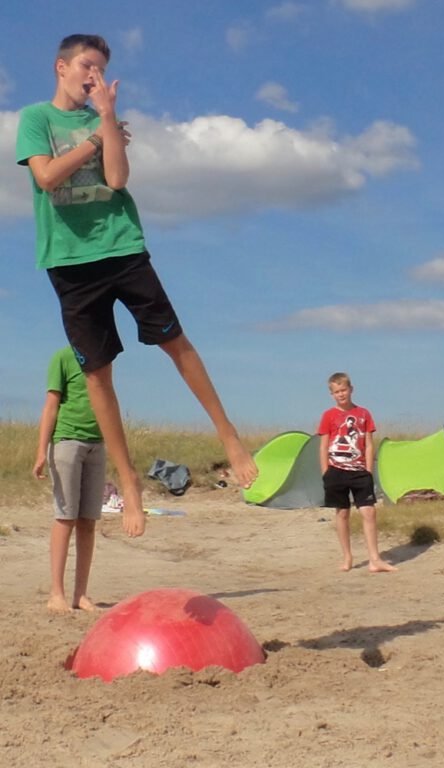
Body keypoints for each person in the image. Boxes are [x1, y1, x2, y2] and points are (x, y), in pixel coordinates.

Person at [17, 34, 257, 538]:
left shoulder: (105, 123)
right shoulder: (37, 118)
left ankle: (228, 433)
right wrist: (94, 140)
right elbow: (46, 179)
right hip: (68, 262)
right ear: (61, 67)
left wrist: (106, 123)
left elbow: (118, 179)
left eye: (102, 71)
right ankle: (128, 482)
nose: (94, 78)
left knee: (175, 341)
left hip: (123, 248)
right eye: (87, 66)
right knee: (98, 376)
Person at [33, 346, 106, 613]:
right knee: (66, 517)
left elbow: (107, 400)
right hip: (66, 441)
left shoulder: (102, 358)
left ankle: (81, 594)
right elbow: (51, 406)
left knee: (88, 521)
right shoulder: (62, 357)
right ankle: (56, 593)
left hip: (97, 444)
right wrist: (41, 451)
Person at [318, 372, 397, 573]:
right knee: (342, 513)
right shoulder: (328, 416)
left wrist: (368, 470)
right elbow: (323, 445)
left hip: (360, 471)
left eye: (343, 390)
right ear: (331, 394)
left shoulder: (364, 414)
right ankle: (347, 556)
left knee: (368, 512)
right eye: (336, 392)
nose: (341, 394)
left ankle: (374, 559)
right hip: (336, 470)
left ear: (351, 389)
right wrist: (325, 471)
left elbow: (369, 444)